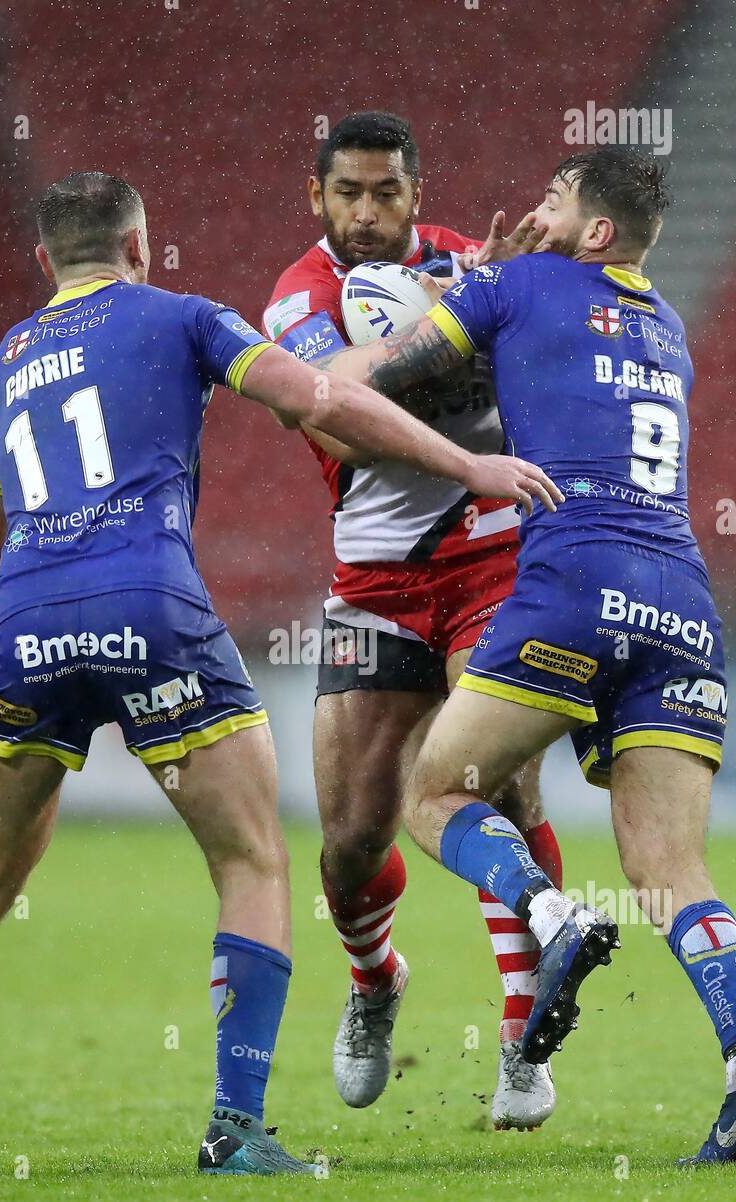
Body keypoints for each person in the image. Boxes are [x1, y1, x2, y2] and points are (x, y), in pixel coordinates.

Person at [0, 171, 560, 1179]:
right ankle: (234, 1129)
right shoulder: (182, 317)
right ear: (140, 245)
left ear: (45, 262)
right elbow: (322, 397)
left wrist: (55, 587)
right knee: (251, 858)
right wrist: (469, 464)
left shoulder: (5, 362)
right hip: (152, 613)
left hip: (27, 627)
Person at [317, 149, 736, 1164]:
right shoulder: (666, 328)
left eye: (551, 201)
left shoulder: (513, 281)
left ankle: (551, 913)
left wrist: (369, 343)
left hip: (570, 589)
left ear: (591, 231)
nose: (533, 213)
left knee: (432, 790)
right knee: (669, 869)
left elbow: (379, 383)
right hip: (679, 606)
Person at [264, 111, 563, 1130]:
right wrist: (442, 323)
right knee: (349, 839)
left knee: (504, 786)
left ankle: (525, 1040)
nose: (364, 211)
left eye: (384, 190)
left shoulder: (466, 262)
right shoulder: (297, 300)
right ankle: (373, 979)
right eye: (345, 191)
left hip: (492, 562)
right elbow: (328, 419)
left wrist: (515, 292)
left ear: (413, 191)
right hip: (377, 587)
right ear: (316, 196)